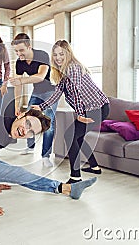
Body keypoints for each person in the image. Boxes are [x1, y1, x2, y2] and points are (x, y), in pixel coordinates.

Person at [32, 40, 110, 184]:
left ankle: (75, 177)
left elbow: (76, 92)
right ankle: (94, 166)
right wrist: (41, 107)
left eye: (61, 54)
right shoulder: (63, 72)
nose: (58, 57)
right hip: (90, 108)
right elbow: (58, 92)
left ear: (68, 53)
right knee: (77, 137)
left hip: (96, 108)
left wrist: (80, 114)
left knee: (70, 136)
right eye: (55, 55)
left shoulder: (73, 68)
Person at [9, 33, 58, 167]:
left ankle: (45, 156)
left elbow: (40, 76)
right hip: (36, 92)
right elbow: (17, 85)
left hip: (50, 92)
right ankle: (30, 147)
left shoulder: (41, 55)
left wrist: (21, 80)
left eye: (21, 50)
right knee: (26, 117)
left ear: (29, 47)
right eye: (16, 51)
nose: (19, 54)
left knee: (48, 122)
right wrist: (16, 106)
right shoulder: (20, 62)